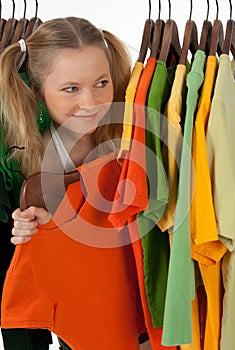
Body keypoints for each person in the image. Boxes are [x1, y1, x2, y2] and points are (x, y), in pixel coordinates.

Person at [0, 16, 150, 350]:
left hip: (140, 307)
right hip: (83, 316)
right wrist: (24, 229)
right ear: (38, 90)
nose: (92, 102)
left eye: (101, 83)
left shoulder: (130, 133)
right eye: (71, 89)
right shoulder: (25, 157)